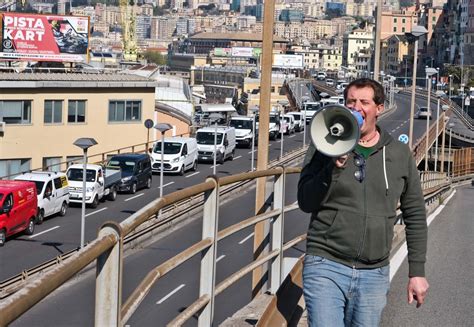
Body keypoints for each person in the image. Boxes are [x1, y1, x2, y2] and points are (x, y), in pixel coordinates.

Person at [298, 78, 429, 326]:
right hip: (326, 263)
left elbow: (414, 213)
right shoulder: (326, 143)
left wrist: (417, 272)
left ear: (378, 108)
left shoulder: (399, 154)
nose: (356, 108)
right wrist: (332, 167)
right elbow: (305, 201)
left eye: (364, 102)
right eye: (351, 102)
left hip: (374, 273)